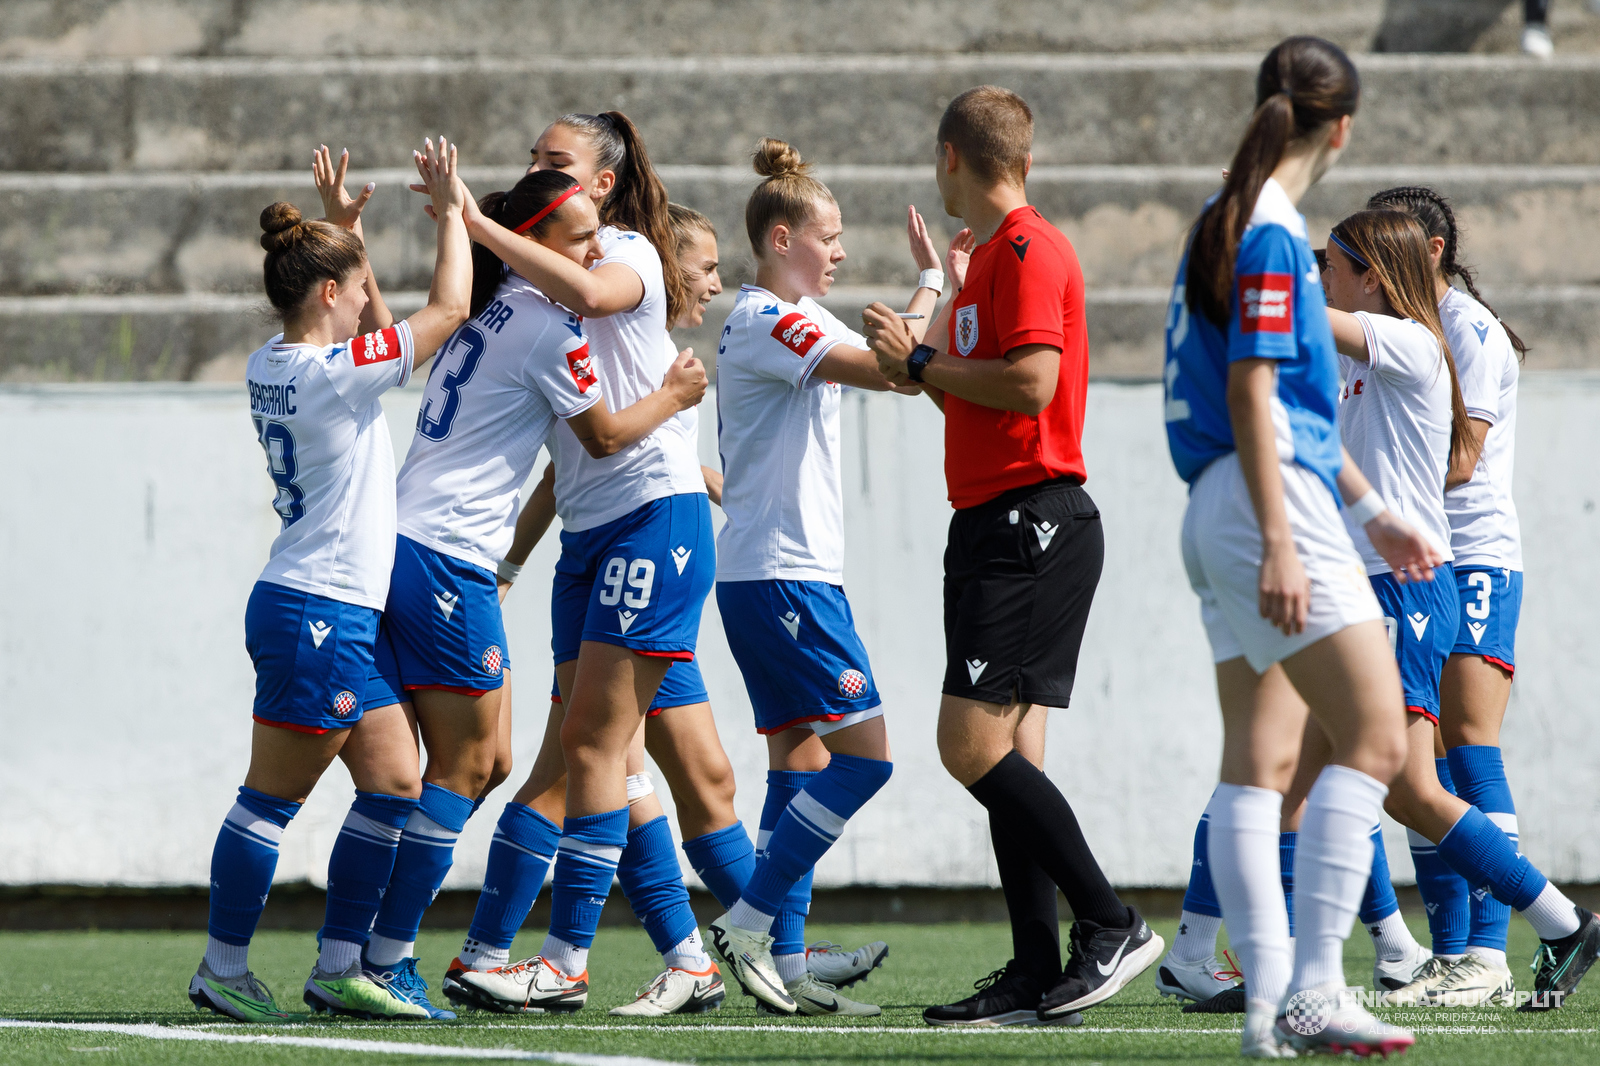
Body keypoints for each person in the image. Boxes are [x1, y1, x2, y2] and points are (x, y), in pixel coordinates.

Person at [350, 165, 707, 1017]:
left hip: (431, 541)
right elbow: (605, 435)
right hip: (454, 554)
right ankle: (394, 957)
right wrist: (675, 396)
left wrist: (380, 235)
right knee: (520, 759)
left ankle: (668, 953)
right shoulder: (554, 326)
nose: (600, 249)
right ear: (538, 241)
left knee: (549, 759)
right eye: (581, 235)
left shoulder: (485, 304)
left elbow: (400, 333)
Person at [1154, 37, 1440, 1056]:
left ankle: (1270, 1001)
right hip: (1262, 499)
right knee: (1374, 739)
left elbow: (1283, 401)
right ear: (1344, 126)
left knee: (1262, 760)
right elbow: (1256, 391)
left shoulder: (1220, 218)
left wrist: (1372, 511)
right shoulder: (1273, 231)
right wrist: (1285, 537)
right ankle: (1317, 985)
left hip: (1219, 498)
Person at [864, 85, 1160, 1029]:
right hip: (999, 520)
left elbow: (1031, 386)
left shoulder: (1031, 249)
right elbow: (976, 397)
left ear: (952, 156)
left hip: (1031, 521)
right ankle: (1037, 970)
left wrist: (918, 364)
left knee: (968, 745)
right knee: (1012, 753)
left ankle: (1111, 922)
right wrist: (923, 357)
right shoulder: (988, 257)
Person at [439, 111, 719, 1015]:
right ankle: (687, 956)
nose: (535, 170)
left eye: (555, 161)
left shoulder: (627, 250)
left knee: (594, 752)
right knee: (603, 763)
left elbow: (602, 307)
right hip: (592, 537)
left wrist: (481, 226)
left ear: (602, 184)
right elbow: (568, 455)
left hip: (652, 521)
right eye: (531, 160)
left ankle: (563, 962)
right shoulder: (538, 290)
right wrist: (516, 555)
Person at [189, 138, 471, 1023]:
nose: (362, 305)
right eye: (352, 288)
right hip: (317, 607)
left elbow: (384, 331)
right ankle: (220, 967)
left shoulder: (276, 364)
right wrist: (455, 211)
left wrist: (347, 233)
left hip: (325, 604)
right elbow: (450, 309)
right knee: (268, 801)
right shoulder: (334, 374)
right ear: (325, 296)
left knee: (395, 781)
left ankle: (340, 965)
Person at [1317, 208, 1599, 1011]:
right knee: (1366, 773)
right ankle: (1435, 947)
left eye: (1335, 265)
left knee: (1438, 767)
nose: (1324, 278)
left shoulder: (1423, 338)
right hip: (1385, 575)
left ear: (1378, 270)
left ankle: (1499, 943)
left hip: (1427, 573)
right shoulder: (1387, 342)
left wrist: (1244, 234)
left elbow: (1460, 461)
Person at [705, 137, 935, 1017]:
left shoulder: (788, 321)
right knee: (865, 760)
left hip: (772, 576)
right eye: (827, 236)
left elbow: (902, 370)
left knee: (799, 765)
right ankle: (754, 920)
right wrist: (931, 289)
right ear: (779, 240)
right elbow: (894, 367)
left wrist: (920, 311)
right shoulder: (771, 318)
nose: (839, 251)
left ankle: (789, 968)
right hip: (785, 579)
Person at [1364, 184, 1529, 1004]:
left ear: (1429, 251)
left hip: (1473, 558)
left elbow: (1462, 461)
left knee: (1467, 746)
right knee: (1416, 762)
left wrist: (1373, 492)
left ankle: (1493, 955)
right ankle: (1454, 950)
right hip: (1421, 559)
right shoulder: (1405, 331)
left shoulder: (1466, 329)